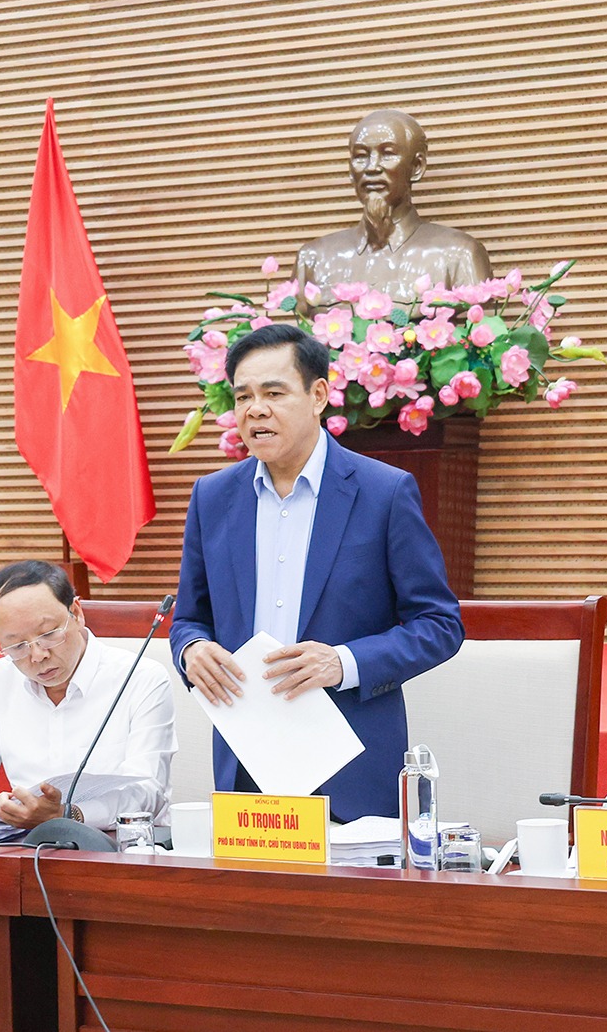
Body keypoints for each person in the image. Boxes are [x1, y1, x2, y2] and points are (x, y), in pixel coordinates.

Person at [171, 322, 464, 821]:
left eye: (273, 393)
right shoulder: (213, 498)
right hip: (247, 767)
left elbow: (439, 625)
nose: (255, 410)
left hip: (351, 769)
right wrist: (191, 650)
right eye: (243, 397)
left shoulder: (383, 492)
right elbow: (188, 619)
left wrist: (343, 662)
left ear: (319, 396)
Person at [0, 561, 175, 831]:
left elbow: (149, 791)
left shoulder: (141, 677)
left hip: (119, 843)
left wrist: (69, 815)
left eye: (48, 634)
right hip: (26, 842)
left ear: (76, 613)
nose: (37, 655)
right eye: (17, 646)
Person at [294, 109, 493, 307]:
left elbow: (480, 325)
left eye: (387, 154)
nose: (372, 167)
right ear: (350, 170)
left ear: (416, 167)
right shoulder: (313, 259)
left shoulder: (459, 255)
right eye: (361, 156)